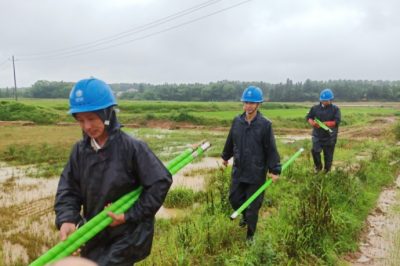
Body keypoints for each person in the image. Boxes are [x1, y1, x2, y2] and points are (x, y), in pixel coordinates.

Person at [54, 78, 172, 266]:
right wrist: (67, 219)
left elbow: (160, 182)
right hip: (94, 232)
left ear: (107, 114)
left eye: (92, 118)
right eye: (81, 120)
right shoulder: (80, 151)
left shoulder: (132, 148)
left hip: (126, 236)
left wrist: (129, 215)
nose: (87, 126)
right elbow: (68, 189)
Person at [221, 85, 281, 242]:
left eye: (252, 103)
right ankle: (244, 216)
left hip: (256, 172)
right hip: (239, 170)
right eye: (246, 102)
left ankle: (250, 236)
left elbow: (271, 149)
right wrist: (225, 157)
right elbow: (230, 141)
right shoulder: (237, 121)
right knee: (234, 199)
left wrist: (274, 170)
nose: (248, 106)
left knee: (253, 207)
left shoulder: (265, 124)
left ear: (258, 104)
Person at [306, 88, 341, 173]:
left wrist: (325, 124)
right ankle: (318, 167)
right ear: (320, 100)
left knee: (328, 155)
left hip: (330, 136)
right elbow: (309, 117)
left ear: (330, 100)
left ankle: (326, 171)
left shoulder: (335, 109)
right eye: (323, 100)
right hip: (317, 135)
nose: (324, 102)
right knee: (315, 151)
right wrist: (312, 123)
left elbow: (336, 122)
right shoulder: (315, 108)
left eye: (326, 100)